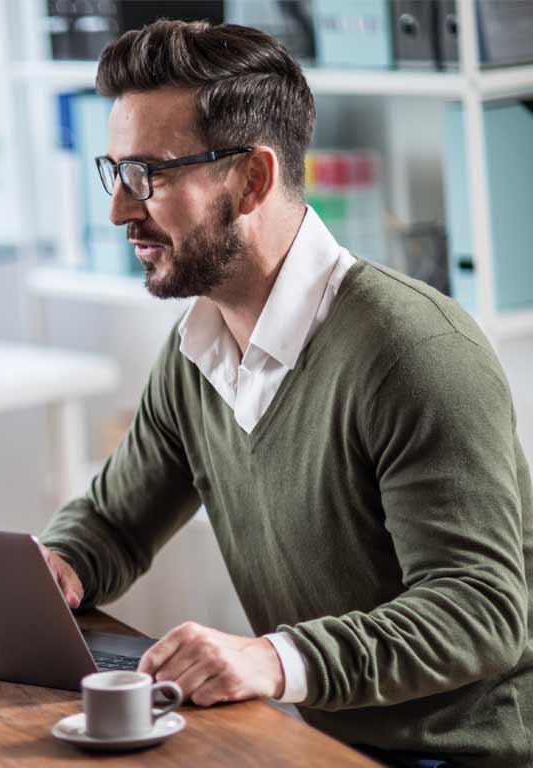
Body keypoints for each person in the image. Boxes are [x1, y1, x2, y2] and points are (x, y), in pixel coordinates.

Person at [35, 20, 533, 767]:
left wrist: (271, 660)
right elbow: (114, 522)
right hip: (323, 743)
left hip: (467, 755)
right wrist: (60, 564)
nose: (120, 211)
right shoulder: (197, 349)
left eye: (151, 175)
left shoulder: (415, 352)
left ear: (254, 180)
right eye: (117, 173)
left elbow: (480, 613)